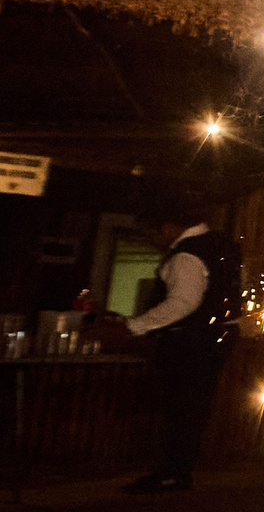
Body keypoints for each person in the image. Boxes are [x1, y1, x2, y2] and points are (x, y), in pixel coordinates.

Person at [97, 207, 243, 495]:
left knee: (180, 408)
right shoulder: (223, 246)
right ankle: (177, 472)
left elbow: (182, 303)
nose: (149, 240)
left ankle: (170, 473)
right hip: (215, 338)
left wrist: (134, 327)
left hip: (190, 342)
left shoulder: (187, 254)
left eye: (149, 233)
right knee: (193, 408)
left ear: (165, 226)